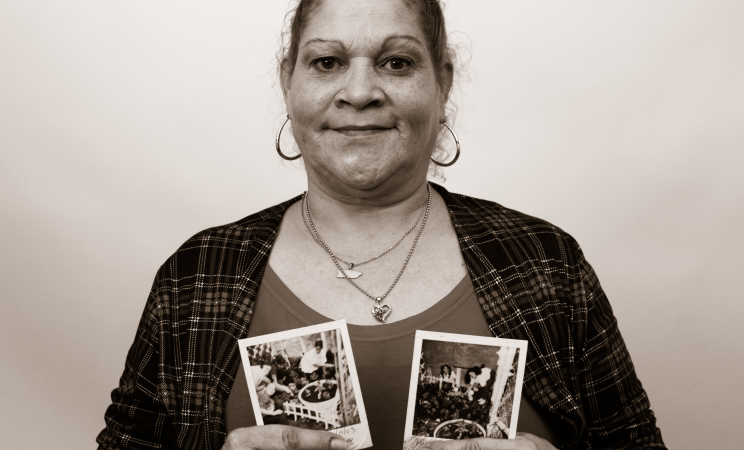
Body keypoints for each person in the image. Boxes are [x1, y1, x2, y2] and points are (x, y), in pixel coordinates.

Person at [97, 0, 665, 449]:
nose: (361, 92)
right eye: (327, 62)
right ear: (288, 80)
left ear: (441, 81)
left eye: (397, 62)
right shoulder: (196, 274)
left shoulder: (546, 263)